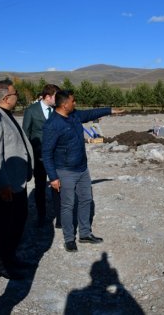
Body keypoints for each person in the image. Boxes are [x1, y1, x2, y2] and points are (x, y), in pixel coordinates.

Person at [42, 90, 124, 252]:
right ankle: (69, 238)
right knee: (68, 205)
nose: (75, 103)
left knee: (86, 200)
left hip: (82, 168)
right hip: (65, 171)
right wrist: (53, 177)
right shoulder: (53, 125)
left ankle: (85, 234)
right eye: (73, 101)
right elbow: (46, 153)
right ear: (65, 104)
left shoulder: (74, 116)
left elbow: (90, 113)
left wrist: (109, 110)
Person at [0, 80, 34, 280]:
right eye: (15, 93)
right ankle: (3, 265)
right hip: (7, 185)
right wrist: (2, 183)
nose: (17, 96)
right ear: (5, 98)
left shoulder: (5, 115)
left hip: (16, 182)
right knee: (5, 226)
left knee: (17, 223)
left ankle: (10, 258)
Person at [22, 84, 61, 228]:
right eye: (56, 97)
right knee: (40, 188)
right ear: (48, 97)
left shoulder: (58, 110)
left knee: (58, 185)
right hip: (38, 158)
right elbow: (26, 134)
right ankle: (41, 216)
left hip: (56, 156)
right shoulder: (31, 111)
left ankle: (60, 218)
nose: (59, 100)